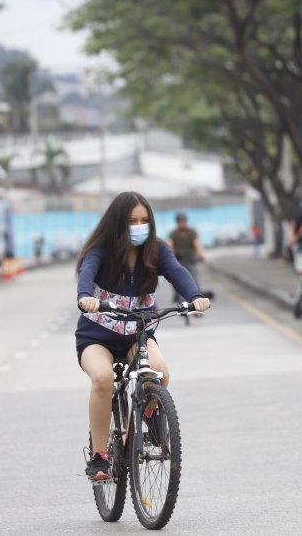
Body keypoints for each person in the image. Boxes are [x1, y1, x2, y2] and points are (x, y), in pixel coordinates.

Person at [76, 192, 211, 482]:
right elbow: (86, 274)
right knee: (102, 378)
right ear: (116, 225)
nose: (138, 227)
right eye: (131, 222)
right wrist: (85, 296)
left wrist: (195, 296)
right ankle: (99, 457)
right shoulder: (100, 252)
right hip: (97, 336)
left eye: (144, 221)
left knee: (159, 372)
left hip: (137, 333)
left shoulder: (157, 252)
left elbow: (177, 271)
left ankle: (149, 410)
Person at [167, 212, 206, 304]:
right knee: (174, 278)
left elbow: (197, 244)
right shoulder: (173, 233)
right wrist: (169, 255)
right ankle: (176, 295)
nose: (183, 223)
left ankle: (198, 299)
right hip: (178, 260)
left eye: (184, 221)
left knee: (194, 279)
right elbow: (169, 244)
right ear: (177, 222)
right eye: (180, 221)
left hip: (191, 260)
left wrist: (201, 254)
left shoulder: (192, 232)